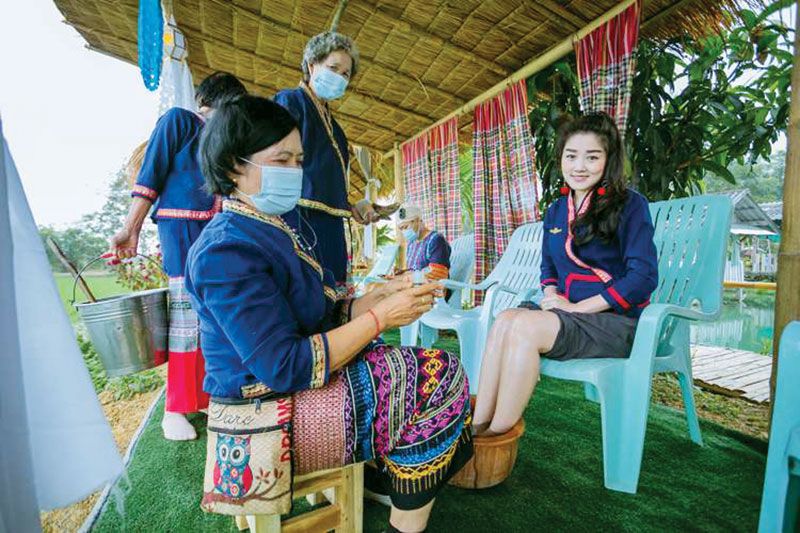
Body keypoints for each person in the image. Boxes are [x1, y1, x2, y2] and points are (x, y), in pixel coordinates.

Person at [185, 95, 472, 533]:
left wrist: (373, 299)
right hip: (266, 413)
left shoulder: (268, 227)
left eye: (299, 160)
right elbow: (284, 365)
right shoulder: (225, 250)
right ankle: (403, 511)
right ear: (231, 168)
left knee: (417, 367)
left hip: (286, 395)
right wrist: (379, 320)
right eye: (281, 159)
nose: (294, 172)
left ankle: (395, 469)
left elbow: (317, 313)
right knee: (440, 377)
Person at [472, 112, 659, 436]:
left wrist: (576, 308)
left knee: (525, 328)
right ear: (561, 158)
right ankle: (476, 425)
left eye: (592, 157)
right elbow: (548, 267)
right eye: (571, 156)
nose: (579, 166)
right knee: (504, 320)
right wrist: (551, 295)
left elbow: (643, 277)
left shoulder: (630, 205)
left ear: (609, 160)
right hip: (566, 316)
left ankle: (496, 436)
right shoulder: (557, 210)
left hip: (618, 323)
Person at [109, 72, 247, 441]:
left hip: (218, 232)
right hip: (182, 229)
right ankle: (175, 409)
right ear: (214, 104)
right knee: (187, 319)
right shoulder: (179, 121)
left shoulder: (227, 144)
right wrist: (132, 227)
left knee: (215, 316)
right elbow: (151, 174)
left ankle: (208, 393)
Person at [274, 31, 382, 292]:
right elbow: (274, 158)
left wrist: (353, 206)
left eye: (345, 74)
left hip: (331, 225)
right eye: (333, 68)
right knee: (306, 290)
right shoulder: (290, 101)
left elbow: (327, 179)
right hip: (298, 217)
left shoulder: (337, 130)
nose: (339, 77)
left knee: (332, 294)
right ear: (312, 65)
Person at [396, 205, 451, 281]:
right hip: (413, 286)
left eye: (405, 227)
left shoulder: (435, 240)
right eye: (401, 229)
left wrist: (405, 278)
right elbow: (414, 270)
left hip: (432, 289)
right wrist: (401, 273)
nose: (404, 232)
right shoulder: (411, 244)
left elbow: (437, 273)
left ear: (418, 220)